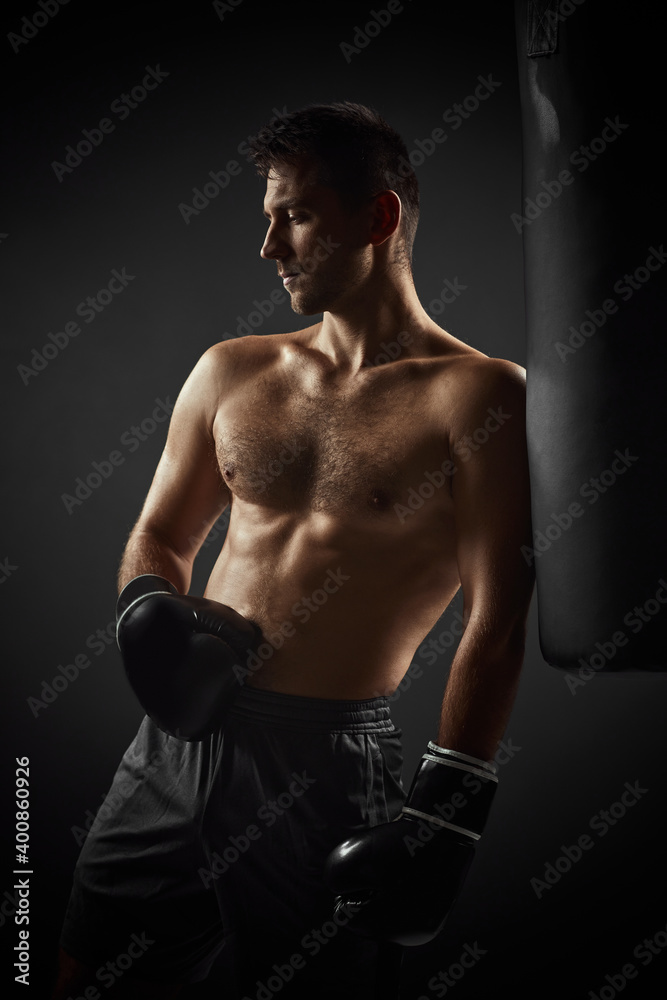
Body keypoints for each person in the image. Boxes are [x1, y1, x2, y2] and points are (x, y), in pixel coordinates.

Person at [51, 101, 534, 999]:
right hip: (172, 740)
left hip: (320, 763)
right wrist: (147, 610)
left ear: (377, 218)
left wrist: (448, 814)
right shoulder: (231, 370)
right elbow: (160, 536)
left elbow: (497, 620)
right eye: (267, 218)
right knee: (82, 967)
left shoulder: (476, 397)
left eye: (296, 216)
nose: (269, 247)